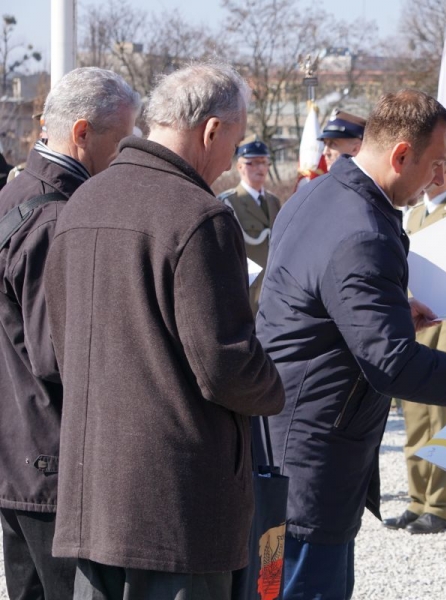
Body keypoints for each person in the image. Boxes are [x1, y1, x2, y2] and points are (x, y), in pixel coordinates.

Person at [256, 89, 446, 600]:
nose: (439, 177)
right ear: (401, 154)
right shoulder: (364, 231)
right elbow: (395, 366)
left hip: (286, 448)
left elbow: (318, 309)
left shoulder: (317, 195)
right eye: (435, 163)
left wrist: (391, 315)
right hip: (313, 462)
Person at [42, 63, 285, 598]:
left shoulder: (81, 203)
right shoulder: (200, 216)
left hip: (92, 497)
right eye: (235, 142)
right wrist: (275, 384)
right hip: (177, 509)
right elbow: (226, 367)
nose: (230, 161)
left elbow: (59, 348)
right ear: (212, 131)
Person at [0, 67, 140, 600]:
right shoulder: (56, 218)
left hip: (22, 454)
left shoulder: (15, 193)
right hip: (52, 461)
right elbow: (57, 355)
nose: (128, 152)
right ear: (82, 133)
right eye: (122, 139)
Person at [383, 140, 446, 536]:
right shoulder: (413, 213)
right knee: (415, 419)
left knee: (442, 419)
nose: (437, 176)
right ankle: (418, 501)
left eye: (444, 168)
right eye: (434, 168)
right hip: (414, 326)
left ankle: (442, 505)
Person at [218, 140, 282, 314]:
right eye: (252, 163)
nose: (260, 168)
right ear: (239, 166)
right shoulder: (229, 202)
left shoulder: (273, 201)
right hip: (246, 290)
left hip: (273, 289)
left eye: (264, 162)